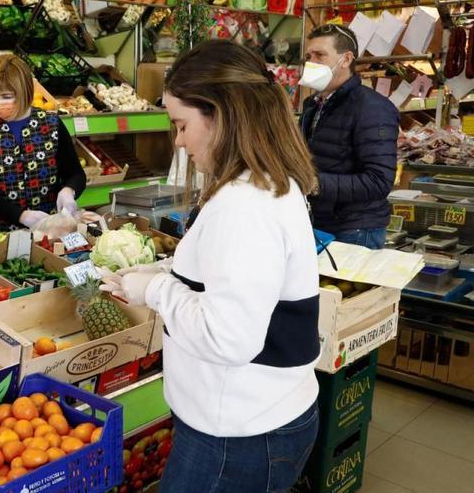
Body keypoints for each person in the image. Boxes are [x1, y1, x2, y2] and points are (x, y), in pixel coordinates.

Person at [99, 40, 321, 492]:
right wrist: (166, 276)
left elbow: (230, 338)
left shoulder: (244, 205)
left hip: (238, 434)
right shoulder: (267, 183)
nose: (178, 140)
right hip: (259, 413)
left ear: (221, 114)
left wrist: (156, 292)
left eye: (181, 125)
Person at [300, 24, 400, 249]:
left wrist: (315, 184)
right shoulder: (313, 105)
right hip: (321, 223)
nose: (311, 62)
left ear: (346, 59)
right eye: (308, 56)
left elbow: (379, 181)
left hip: (356, 230)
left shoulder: (372, 109)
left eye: (320, 55)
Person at [0, 55, 86, 237]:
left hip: (48, 232)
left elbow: (75, 173)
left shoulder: (51, 124)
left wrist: (69, 190)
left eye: (6, 96)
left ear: (25, 93)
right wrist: (20, 215)